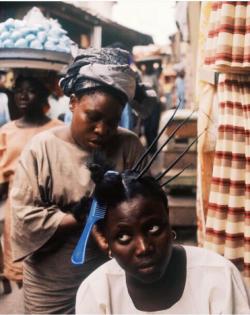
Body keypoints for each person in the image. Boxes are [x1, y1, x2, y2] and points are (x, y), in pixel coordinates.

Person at [10, 48, 147, 314]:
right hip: (52, 285)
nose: (102, 130)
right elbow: (24, 218)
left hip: (112, 277)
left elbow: (147, 204)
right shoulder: (42, 148)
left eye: (112, 121)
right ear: (72, 102)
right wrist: (83, 215)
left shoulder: (128, 145)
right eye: (93, 117)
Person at [76, 159, 250, 314]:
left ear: (168, 218)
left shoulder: (220, 278)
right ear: (106, 240)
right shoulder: (96, 292)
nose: (144, 248)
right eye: (123, 237)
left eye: (152, 228)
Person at [0, 75, 62, 311]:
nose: (23, 97)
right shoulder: (6, 132)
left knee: (50, 268)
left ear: (44, 95)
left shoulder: (58, 130)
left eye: (31, 91)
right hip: (17, 213)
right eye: (19, 91)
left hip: (50, 209)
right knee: (23, 276)